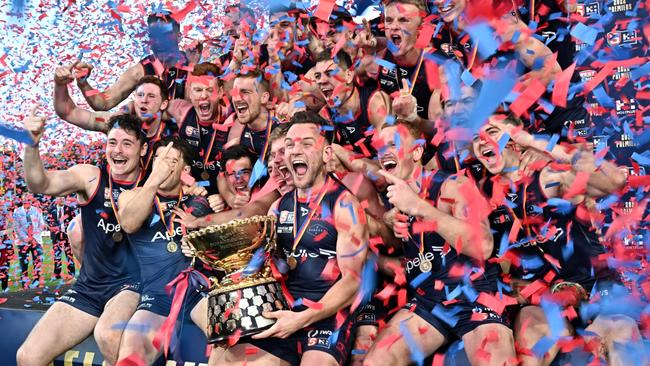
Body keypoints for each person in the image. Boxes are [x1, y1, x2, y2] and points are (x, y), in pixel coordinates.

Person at [472, 114, 641, 365]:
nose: (482, 140)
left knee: (621, 334)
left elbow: (615, 181)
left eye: (492, 131)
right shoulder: (481, 194)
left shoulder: (548, 175)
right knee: (529, 334)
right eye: (475, 138)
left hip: (595, 292)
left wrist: (536, 143)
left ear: (514, 137)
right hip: (544, 303)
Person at [217, 111, 369, 366]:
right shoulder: (278, 207)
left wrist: (301, 319)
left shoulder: (345, 205)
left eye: (307, 144)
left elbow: (353, 282)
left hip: (328, 313)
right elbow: (263, 264)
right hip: (285, 306)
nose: (295, 151)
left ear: (326, 154)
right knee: (228, 358)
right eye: (290, 145)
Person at [363, 120, 516, 366]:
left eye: (394, 144)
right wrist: (387, 221)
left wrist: (420, 208)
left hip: (473, 295)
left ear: (416, 152)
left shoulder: (454, 184)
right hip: (427, 301)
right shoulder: (394, 197)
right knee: (377, 361)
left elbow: (484, 246)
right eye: (381, 147)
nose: (385, 152)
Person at [16, 113, 144, 366]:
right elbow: (39, 184)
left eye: (127, 143)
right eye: (112, 142)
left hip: (131, 286)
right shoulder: (91, 176)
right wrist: (31, 146)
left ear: (142, 148)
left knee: (108, 334)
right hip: (89, 288)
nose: (117, 150)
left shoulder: (151, 183)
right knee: (27, 357)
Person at [115, 136, 218, 364]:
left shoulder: (202, 202)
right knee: (131, 352)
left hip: (198, 293)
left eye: (171, 160)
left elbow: (218, 249)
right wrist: (154, 180)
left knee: (228, 338)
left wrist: (201, 246)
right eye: (159, 159)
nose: (162, 165)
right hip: (157, 296)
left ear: (185, 170)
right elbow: (129, 223)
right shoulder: (132, 197)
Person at [74, 13, 190, 110]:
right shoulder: (141, 71)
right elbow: (103, 103)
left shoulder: (194, 63)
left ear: (179, 37)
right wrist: (83, 83)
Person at [167, 62, 230, 195]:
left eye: (209, 90)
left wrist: (224, 196)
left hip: (222, 193)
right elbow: (151, 107)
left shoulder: (232, 119)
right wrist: (122, 111)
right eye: (198, 90)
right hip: (189, 189)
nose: (203, 96)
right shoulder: (180, 111)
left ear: (220, 92)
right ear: (190, 93)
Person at [314, 50, 391, 156]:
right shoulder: (325, 115)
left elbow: (389, 156)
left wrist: (344, 155)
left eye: (330, 73)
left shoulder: (375, 103)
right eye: (317, 76)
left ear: (349, 76)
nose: (321, 81)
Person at [12, 194, 45, 289]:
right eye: (26, 200)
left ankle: (37, 283)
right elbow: (16, 227)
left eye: (30, 200)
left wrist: (33, 237)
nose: (28, 201)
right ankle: (25, 284)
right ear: (22, 201)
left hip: (36, 241)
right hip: (22, 242)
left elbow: (41, 225)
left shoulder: (37, 210)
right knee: (23, 263)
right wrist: (27, 238)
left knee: (38, 262)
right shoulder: (17, 211)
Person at [47, 197, 76, 280]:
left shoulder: (69, 209)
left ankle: (72, 273)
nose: (62, 200)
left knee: (69, 255)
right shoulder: (51, 209)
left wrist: (69, 229)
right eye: (60, 198)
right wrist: (52, 227)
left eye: (63, 198)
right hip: (56, 236)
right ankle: (57, 274)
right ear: (56, 200)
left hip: (67, 235)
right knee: (57, 255)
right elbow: (48, 221)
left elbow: (74, 221)